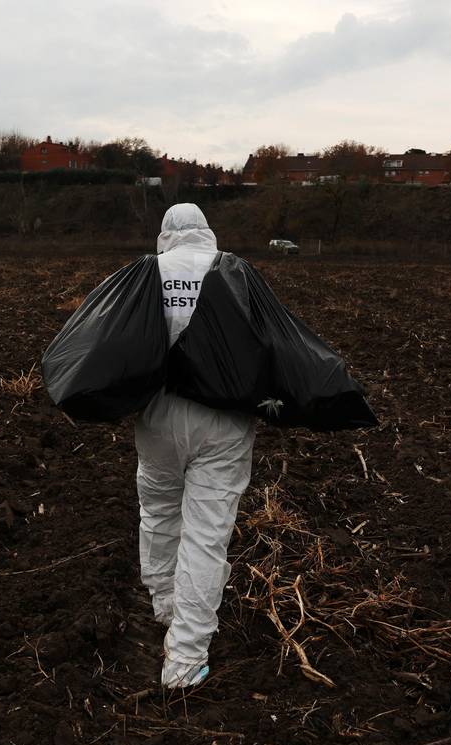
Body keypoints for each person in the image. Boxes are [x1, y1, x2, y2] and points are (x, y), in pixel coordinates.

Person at [136, 203, 257, 689]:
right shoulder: (234, 272)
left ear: (165, 234)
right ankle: (185, 661)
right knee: (207, 535)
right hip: (223, 421)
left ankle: (165, 605)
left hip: (158, 417)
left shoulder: (145, 275)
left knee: (159, 511)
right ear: (207, 232)